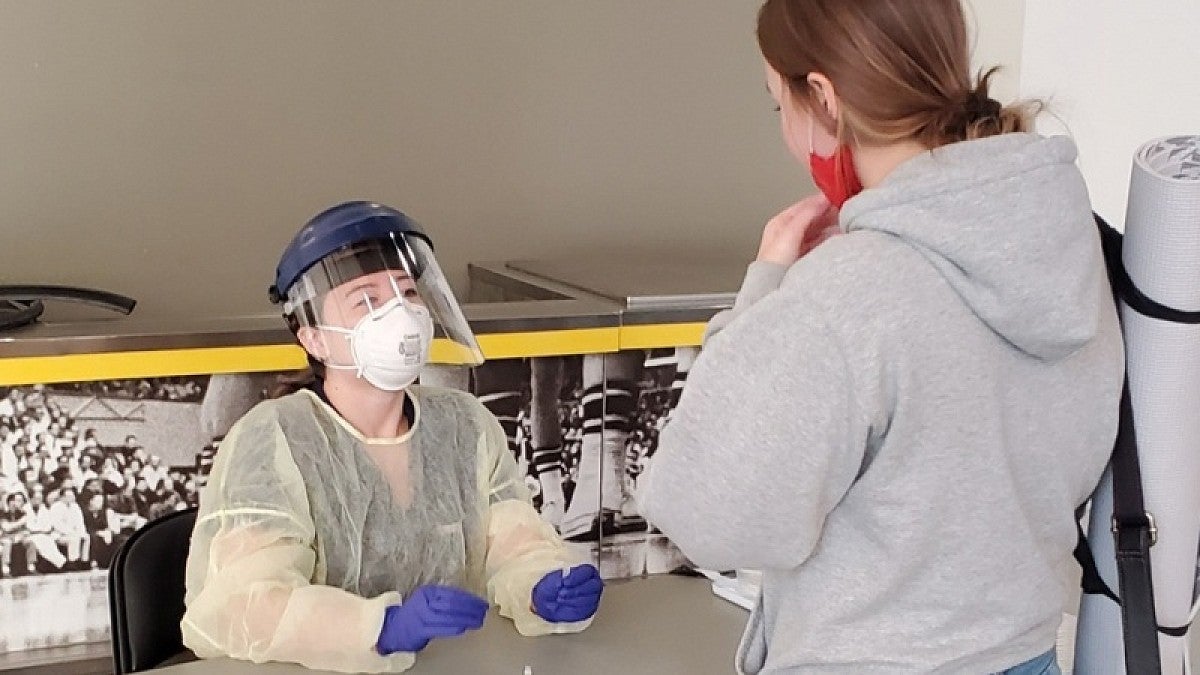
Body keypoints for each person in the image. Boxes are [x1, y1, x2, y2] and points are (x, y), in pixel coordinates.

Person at [636, 1, 1123, 673]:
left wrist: (765, 287)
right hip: (1027, 656)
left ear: (827, 101)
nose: (785, 130)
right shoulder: (1071, 254)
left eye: (780, 107)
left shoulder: (850, 292)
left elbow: (706, 513)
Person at [182, 201, 603, 673]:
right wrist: (375, 629)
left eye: (408, 292)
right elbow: (240, 605)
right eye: (366, 301)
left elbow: (511, 543)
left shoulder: (464, 425)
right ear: (314, 338)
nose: (400, 315)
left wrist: (542, 585)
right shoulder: (274, 437)